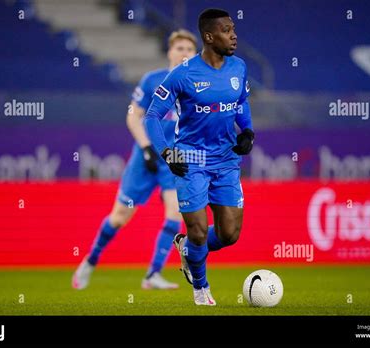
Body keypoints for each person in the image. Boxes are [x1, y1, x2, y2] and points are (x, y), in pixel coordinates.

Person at [144, 8, 254, 305]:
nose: (233, 35)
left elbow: (242, 102)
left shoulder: (239, 68)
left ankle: (186, 249)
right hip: (190, 159)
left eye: (233, 29)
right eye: (226, 30)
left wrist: (247, 131)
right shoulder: (183, 73)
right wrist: (167, 152)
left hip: (226, 160)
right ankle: (201, 288)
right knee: (198, 230)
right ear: (209, 36)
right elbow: (151, 116)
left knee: (229, 234)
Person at [72, 29, 198, 290]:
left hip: (173, 159)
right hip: (146, 157)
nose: (184, 53)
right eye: (180, 48)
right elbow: (133, 115)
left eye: (189, 49)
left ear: (195, 54)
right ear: (169, 52)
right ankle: (90, 260)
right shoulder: (152, 80)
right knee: (119, 216)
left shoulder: (198, 86)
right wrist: (147, 147)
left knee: (175, 212)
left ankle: (152, 274)